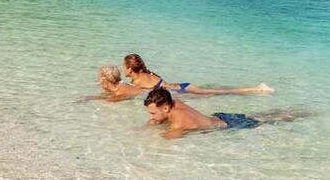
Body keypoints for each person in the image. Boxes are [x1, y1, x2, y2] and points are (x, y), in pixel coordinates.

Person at [142, 88, 304, 139]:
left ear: (165, 108)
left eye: (153, 113)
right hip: (221, 116)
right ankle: (293, 110)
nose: (151, 117)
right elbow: (159, 119)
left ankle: (300, 114)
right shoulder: (174, 102)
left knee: (268, 120)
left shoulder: (179, 124)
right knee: (261, 115)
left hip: (229, 124)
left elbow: (167, 138)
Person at [122, 53, 274, 95]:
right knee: (217, 90)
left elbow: (128, 92)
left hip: (181, 91)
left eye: (124, 66)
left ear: (130, 69)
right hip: (183, 86)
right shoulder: (149, 74)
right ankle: (256, 88)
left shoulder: (137, 83)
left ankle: (258, 89)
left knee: (222, 92)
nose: (123, 69)